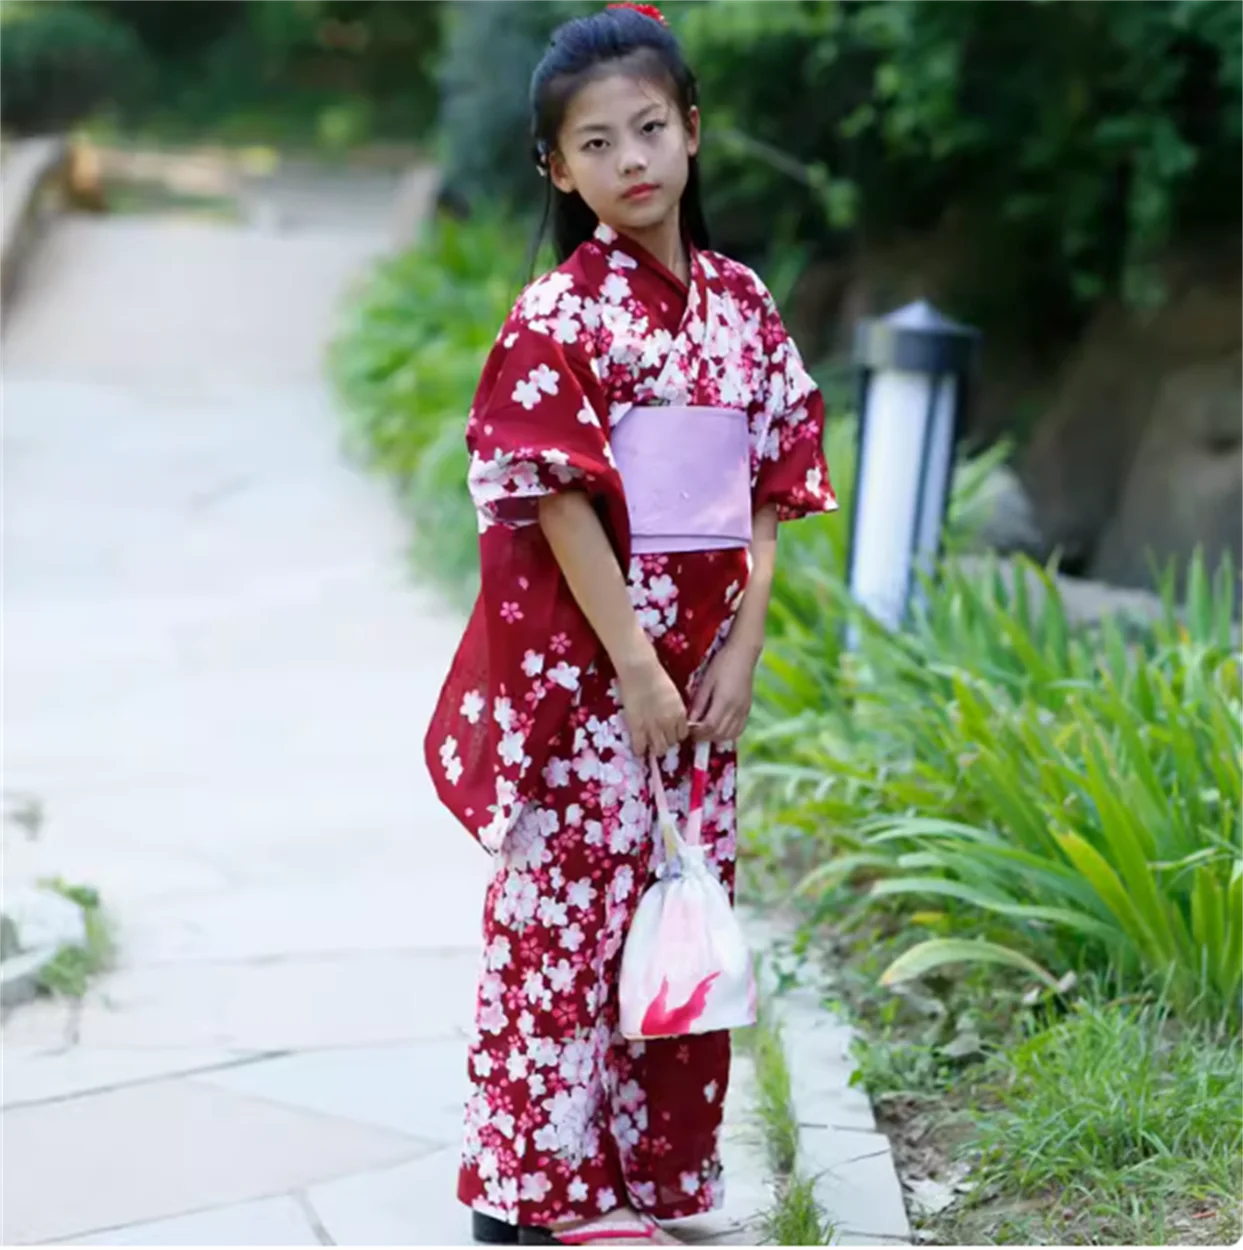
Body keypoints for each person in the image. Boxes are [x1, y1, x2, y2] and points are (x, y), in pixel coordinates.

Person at [425, 3, 837, 1244]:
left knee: (678, 909)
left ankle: (656, 1176)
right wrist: (635, 670)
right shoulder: (561, 315)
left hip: (704, 676)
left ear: (694, 130)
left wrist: (741, 649)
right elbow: (549, 496)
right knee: (569, 916)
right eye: (595, 145)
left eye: (649, 128)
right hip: (592, 671)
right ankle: (538, 1191)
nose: (631, 161)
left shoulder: (740, 303)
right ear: (557, 169)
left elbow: (769, 484)